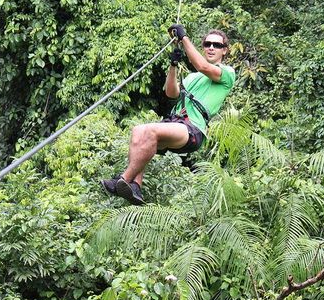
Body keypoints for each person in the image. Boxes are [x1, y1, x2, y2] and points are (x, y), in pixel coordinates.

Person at [101, 24, 236, 204]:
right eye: (208, 44)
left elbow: (203, 66)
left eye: (217, 45)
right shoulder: (192, 77)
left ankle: (123, 179)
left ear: (224, 51)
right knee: (138, 131)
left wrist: (184, 38)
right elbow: (171, 93)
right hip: (175, 122)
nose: (211, 47)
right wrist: (173, 65)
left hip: (192, 129)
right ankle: (135, 186)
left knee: (149, 131)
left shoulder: (227, 73)